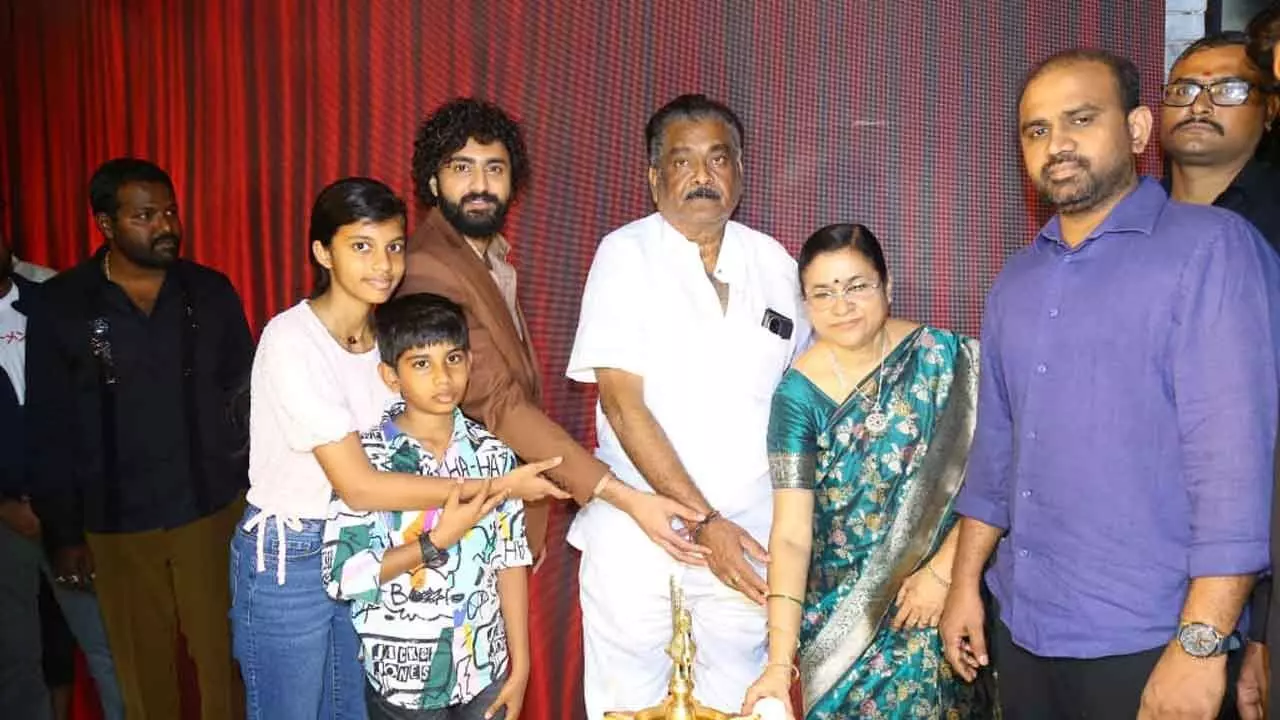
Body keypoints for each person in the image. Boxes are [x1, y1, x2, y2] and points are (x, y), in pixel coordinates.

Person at [939, 49, 1280, 719]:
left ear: (1137, 129)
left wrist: (1202, 642)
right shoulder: (1017, 280)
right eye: (1037, 130)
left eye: (1081, 119)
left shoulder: (1212, 249)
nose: (1057, 144)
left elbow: (1235, 466)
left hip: (1153, 636)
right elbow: (995, 455)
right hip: (1024, 626)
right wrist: (963, 584)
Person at [232, 177, 561, 719]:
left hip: (377, 548)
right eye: (361, 247)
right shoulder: (292, 339)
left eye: (394, 246)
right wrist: (499, 487)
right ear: (323, 253)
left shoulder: (387, 343)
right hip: (296, 551)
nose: (383, 264)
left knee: (353, 711)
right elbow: (358, 486)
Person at [566, 94, 808, 718]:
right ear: (654, 177)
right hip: (641, 537)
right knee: (629, 708)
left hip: (749, 543)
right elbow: (623, 406)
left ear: (740, 171)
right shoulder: (625, 255)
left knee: (740, 704)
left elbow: (810, 393)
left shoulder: (776, 264)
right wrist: (706, 523)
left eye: (718, 159)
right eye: (683, 161)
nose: (703, 175)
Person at [399, 98, 698, 563]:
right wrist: (622, 496)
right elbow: (498, 402)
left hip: (497, 515)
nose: (480, 185)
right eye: (461, 168)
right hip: (450, 527)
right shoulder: (429, 268)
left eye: (494, 169)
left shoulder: (487, 258)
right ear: (433, 182)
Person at [25, 158, 253, 720]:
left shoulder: (209, 291)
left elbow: (247, 398)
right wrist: (63, 533)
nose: (165, 226)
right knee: (143, 677)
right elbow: (49, 426)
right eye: (144, 216)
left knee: (227, 666)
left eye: (170, 212)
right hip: (118, 525)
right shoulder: (62, 305)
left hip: (210, 512)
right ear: (106, 224)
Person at [740, 224, 987, 718]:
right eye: (823, 293)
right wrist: (778, 663)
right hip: (840, 632)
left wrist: (944, 573)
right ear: (805, 303)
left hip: (947, 603)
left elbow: (1000, 476)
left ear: (886, 284)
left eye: (857, 286)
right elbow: (790, 535)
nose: (842, 305)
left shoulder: (951, 360)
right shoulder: (796, 398)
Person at [323, 293, 532, 720]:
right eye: (421, 363)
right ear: (390, 375)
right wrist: (433, 543)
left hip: (484, 670)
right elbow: (343, 578)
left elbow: (510, 561)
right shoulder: (366, 462)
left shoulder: (493, 455)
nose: (443, 377)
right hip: (404, 687)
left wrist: (522, 664)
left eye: (453, 359)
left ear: (470, 361)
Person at [1161, 31, 1280, 720]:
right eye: (1183, 88)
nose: (1200, 103)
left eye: (1228, 88)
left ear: (1269, 109)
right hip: (1137, 586)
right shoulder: (1124, 219)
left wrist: (1264, 628)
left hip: (1250, 590)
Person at [0, 217, 122, 720]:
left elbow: (100, 393)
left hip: (74, 511)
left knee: (108, 644)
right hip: (5, 519)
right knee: (14, 657)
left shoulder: (51, 299)